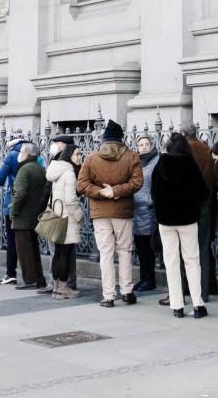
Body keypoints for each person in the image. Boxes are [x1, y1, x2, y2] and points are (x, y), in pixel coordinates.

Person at [78, 120, 144, 306]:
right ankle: (127, 291)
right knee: (124, 251)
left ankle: (108, 295)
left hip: (100, 212)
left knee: (105, 253)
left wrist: (100, 192)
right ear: (120, 139)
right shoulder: (131, 156)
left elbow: (81, 185)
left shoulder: (92, 158)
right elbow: (137, 183)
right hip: (122, 211)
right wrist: (115, 191)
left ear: (104, 139)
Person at [153, 131, 210, 318]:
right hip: (187, 219)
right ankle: (197, 304)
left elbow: (153, 193)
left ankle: (177, 306)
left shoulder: (160, 164)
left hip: (166, 221)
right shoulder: (190, 164)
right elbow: (203, 193)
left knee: (171, 262)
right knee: (192, 261)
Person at [185, 124, 218, 302]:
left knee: (185, 249)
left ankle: (186, 289)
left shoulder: (183, 150)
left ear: (183, 134)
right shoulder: (206, 150)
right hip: (205, 206)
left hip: (186, 206)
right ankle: (204, 291)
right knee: (203, 248)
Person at [45, 137, 84, 299]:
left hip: (56, 215)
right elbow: (70, 199)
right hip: (67, 218)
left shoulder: (57, 170)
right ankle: (63, 288)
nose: (79, 157)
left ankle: (56, 288)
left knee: (58, 254)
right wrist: (79, 214)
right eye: (76, 154)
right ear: (69, 155)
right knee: (65, 254)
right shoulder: (69, 173)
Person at [10, 141, 49, 291]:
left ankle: (30, 279)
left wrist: (14, 211)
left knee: (24, 249)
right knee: (33, 247)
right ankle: (39, 278)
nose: (19, 154)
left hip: (23, 217)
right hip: (35, 215)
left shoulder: (24, 170)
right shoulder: (39, 168)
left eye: (21, 151)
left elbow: (19, 194)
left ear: (26, 154)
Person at [0, 133, 30, 284]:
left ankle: (11, 273)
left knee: (11, 240)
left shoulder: (11, 155)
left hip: (13, 202)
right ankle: (30, 275)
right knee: (28, 240)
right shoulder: (34, 153)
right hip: (30, 203)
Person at [132, 135, 160, 294]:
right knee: (140, 247)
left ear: (151, 145)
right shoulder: (135, 161)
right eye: (140, 144)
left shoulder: (156, 161)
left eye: (146, 144)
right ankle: (143, 278)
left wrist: (151, 200)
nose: (143, 147)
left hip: (150, 210)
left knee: (149, 247)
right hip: (136, 210)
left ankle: (150, 280)